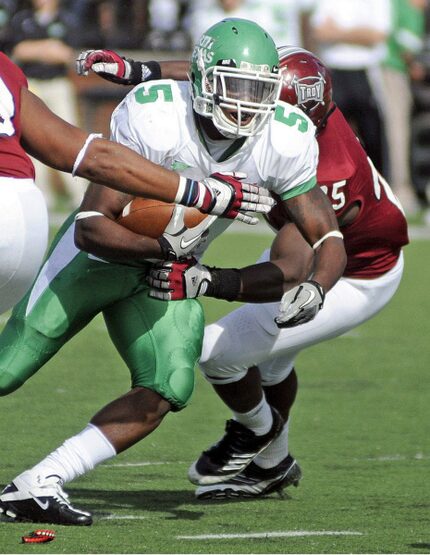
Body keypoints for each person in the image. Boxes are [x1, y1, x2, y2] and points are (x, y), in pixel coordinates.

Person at [0, 19, 346, 525]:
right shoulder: (157, 114)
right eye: (236, 88)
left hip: (168, 271)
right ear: (204, 81)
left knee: (167, 386)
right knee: (7, 369)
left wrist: (318, 286)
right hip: (98, 260)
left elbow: (327, 237)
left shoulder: (285, 138)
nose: (247, 105)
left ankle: (37, 483)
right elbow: (92, 227)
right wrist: (166, 245)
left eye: (260, 91)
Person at [146, 46, 409, 498]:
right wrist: (141, 70)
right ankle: (272, 466)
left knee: (215, 352)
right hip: (334, 246)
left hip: (354, 276)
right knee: (268, 366)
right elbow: (219, 71)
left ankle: (257, 432)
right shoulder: (307, 105)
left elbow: (289, 271)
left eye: (262, 100)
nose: (246, 106)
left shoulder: (325, 174)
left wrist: (210, 279)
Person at [0, 51, 270, 315]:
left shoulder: (285, 136)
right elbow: (88, 156)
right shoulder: (158, 114)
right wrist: (201, 194)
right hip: (28, 221)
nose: (244, 100)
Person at [309, 0, 392, 178]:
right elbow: (320, 31)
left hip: (365, 71)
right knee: (329, 138)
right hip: (334, 71)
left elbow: (377, 35)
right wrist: (358, 33)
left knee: (373, 139)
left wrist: (337, 32)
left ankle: (377, 188)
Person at [381, 0, 426, 215]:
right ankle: (400, 190)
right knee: (397, 133)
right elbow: (406, 51)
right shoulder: (401, 7)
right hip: (392, 72)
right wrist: (417, 65)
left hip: (402, 75)